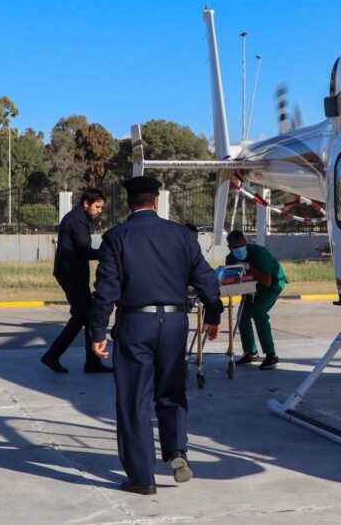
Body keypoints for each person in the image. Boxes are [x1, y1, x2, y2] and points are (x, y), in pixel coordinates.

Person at [90, 175, 222, 495]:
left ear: (129, 203)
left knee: (134, 399)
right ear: (157, 201)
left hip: (136, 323)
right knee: (172, 389)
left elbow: (105, 291)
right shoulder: (181, 235)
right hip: (175, 322)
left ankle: (142, 477)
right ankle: (176, 449)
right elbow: (205, 278)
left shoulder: (115, 237)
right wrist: (214, 314)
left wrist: (97, 331)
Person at [42, 188, 109, 374]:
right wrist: (107, 253)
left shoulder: (77, 217)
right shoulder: (77, 220)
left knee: (85, 316)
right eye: (97, 207)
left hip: (72, 274)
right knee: (84, 316)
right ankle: (54, 356)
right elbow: (84, 251)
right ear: (86, 203)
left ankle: (90, 362)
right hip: (72, 275)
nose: (99, 211)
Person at [224, 230, 287, 370]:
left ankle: (271, 355)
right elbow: (231, 279)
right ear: (229, 247)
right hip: (250, 287)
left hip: (272, 285)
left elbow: (267, 281)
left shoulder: (259, 253)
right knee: (243, 316)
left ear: (245, 242)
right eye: (235, 247)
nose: (239, 249)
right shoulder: (231, 259)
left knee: (258, 312)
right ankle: (250, 352)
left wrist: (249, 268)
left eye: (241, 246)